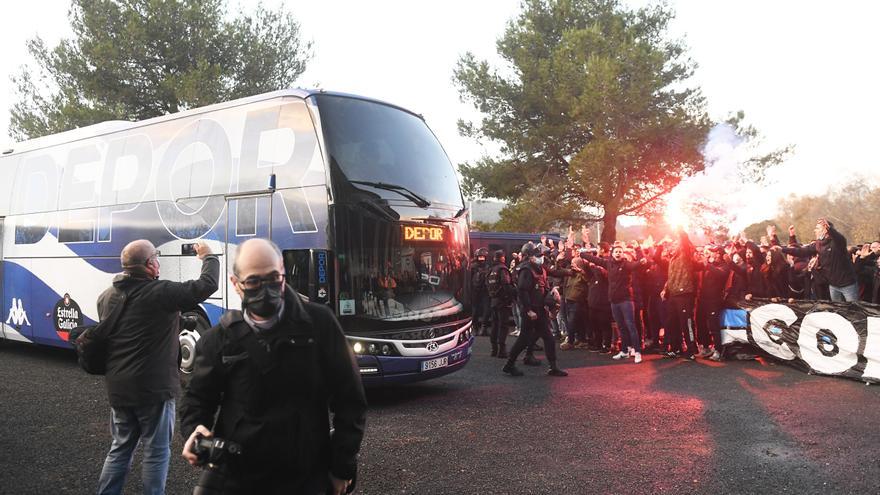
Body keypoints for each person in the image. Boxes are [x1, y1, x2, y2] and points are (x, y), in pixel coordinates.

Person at [180, 239, 367, 494]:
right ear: (236, 284)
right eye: (254, 282)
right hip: (240, 477)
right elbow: (197, 399)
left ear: (283, 275)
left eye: (273, 279)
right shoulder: (218, 340)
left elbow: (350, 400)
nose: (265, 290)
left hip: (306, 477)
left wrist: (341, 467)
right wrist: (194, 429)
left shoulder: (320, 324)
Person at [96, 239, 219, 495]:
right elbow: (206, 285)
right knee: (156, 451)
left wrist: (177, 320)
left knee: (120, 448)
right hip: (154, 390)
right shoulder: (160, 292)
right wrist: (209, 257)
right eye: (157, 257)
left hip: (119, 388)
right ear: (151, 264)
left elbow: (136, 325)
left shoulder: (106, 297)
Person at [502, 242, 569, 377]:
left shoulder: (539, 268)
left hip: (539, 309)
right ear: (529, 257)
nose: (539, 258)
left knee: (548, 338)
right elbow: (522, 290)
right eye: (536, 256)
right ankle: (509, 364)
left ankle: (553, 367)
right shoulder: (526, 270)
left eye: (540, 255)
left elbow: (552, 274)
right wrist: (528, 310)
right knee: (524, 339)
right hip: (531, 310)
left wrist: (569, 272)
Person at [582, 244, 647, 363]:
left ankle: (637, 352)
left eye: (620, 252)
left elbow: (634, 265)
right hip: (614, 301)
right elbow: (595, 259)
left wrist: (641, 261)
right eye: (616, 251)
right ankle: (624, 351)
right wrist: (582, 254)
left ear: (622, 254)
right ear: (612, 253)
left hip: (626, 300)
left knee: (630, 326)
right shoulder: (608, 263)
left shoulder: (626, 264)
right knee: (621, 326)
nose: (618, 253)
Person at [781, 218, 858, 302]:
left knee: (853, 309)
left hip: (847, 285)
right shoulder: (818, 244)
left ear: (825, 231)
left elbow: (840, 238)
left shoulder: (837, 243)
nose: (815, 230)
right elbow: (801, 251)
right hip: (833, 285)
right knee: (838, 309)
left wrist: (829, 229)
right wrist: (782, 249)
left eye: (817, 228)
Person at [487, 249, 516, 358]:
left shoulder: (490, 270)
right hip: (502, 301)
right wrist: (512, 295)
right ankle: (502, 351)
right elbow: (506, 285)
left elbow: (487, 285)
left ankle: (494, 350)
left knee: (494, 325)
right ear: (502, 258)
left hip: (493, 300)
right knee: (503, 326)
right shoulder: (503, 269)